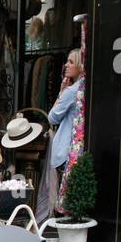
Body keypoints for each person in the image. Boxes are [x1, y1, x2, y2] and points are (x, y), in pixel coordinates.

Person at [37, 48, 84, 220]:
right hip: (77, 148)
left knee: (61, 196)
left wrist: (62, 92)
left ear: (80, 65)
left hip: (65, 150)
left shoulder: (72, 91)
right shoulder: (84, 89)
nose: (66, 65)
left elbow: (52, 117)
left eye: (71, 62)